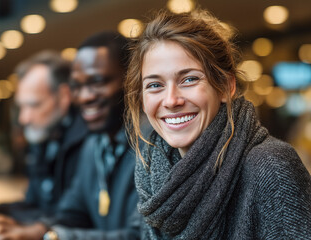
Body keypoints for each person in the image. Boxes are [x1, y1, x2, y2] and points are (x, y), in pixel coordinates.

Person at [124, 9, 311, 240]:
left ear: (225, 87)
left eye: (189, 79)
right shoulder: (151, 174)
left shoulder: (271, 166)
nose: (171, 100)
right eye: (155, 85)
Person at [0, 31, 140, 240]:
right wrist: (31, 231)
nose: (85, 97)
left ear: (133, 79)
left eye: (97, 82)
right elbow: (71, 213)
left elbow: (141, 235)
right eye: (77, 86)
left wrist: (49, 236)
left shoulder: (154, 145)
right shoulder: (94, 143)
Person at [0, 51, 88, 225]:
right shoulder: (46, 139)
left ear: (63, 96)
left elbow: (72, 218)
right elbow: (34, 205)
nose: (24, 119)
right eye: (21, 107)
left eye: (33, 105)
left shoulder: (89, 143)